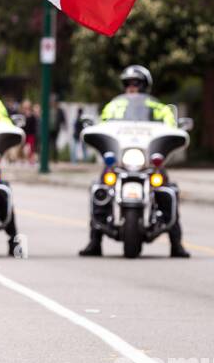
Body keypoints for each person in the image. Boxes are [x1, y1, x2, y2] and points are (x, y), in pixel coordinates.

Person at [79, 64, 190, 258]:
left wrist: (177, 132)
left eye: (136, 84)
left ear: (145, 86)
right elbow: (102, 125)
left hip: (147, 162)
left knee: (167, 190)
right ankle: (94, 241)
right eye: (128, 84)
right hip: (120, 162)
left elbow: (171, 127)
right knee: (100, 190)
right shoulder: (113, 106)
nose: (132, 88)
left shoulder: (158, 108)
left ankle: (176, 243)